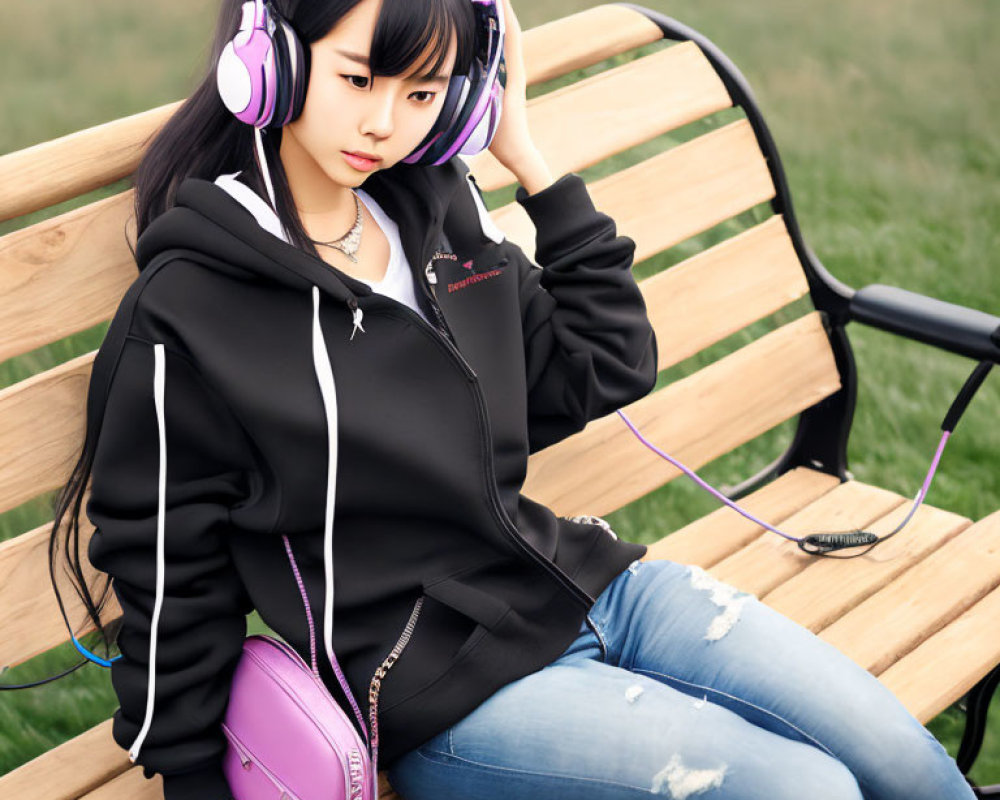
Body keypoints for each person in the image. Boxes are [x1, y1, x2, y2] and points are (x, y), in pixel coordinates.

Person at [50, 1, 976, 798]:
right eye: (360, 79)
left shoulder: (436, 212)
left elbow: (604, 366)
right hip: (434, 689)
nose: (386, 125)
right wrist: (193, 777)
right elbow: (171, 575)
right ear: (271, 59)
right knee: (808, 788)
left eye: (424, 94)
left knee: (901, 763)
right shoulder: (191, 311)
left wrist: (527, 160)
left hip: (591, 584)